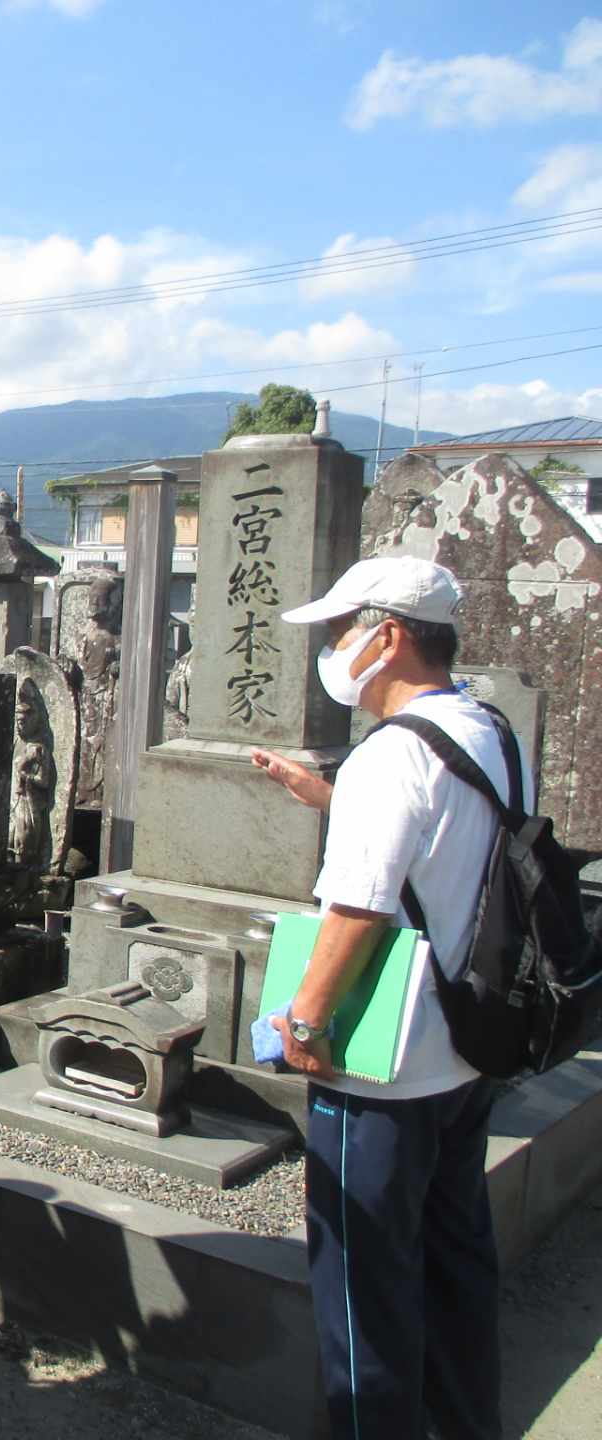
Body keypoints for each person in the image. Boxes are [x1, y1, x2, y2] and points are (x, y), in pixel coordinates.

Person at [252, 555, 520, 1440]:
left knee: (364, 1289)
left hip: (383, 1069)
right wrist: (326, 795)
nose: (336, 652)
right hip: (464, 1048)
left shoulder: (390, 754)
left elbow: (360, 909)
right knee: (454, 1260)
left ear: (390, 636)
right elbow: (444, 843)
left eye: (342, 633)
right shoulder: (484, 730)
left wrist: (306, 1018)